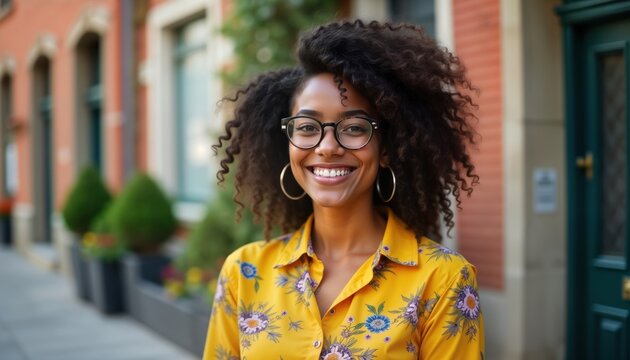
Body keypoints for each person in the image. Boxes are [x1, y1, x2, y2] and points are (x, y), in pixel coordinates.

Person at [204, 20, 484, 359]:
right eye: (307, 127)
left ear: (386, 148)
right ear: (288, 143)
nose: (327, 146)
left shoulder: (443, 280)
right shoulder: (244, 272)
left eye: (353, 127)